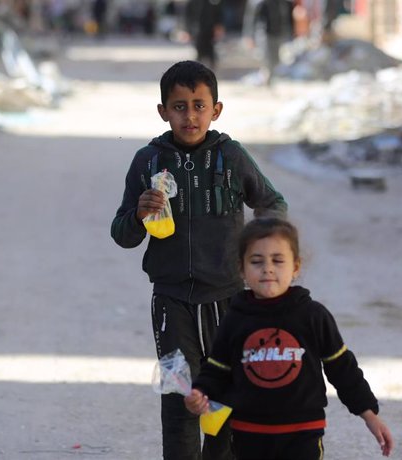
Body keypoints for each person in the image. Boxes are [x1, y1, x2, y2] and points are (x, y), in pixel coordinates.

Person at [111, 60, 287, 460]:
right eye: (178, 106)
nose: (189, 116)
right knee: (179, 397)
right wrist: (139, 213)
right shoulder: (148, 162)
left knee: (223, 399)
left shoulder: (231, 157)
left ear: (216, 109)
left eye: (198, 105)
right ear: (162, 111)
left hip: (228, 300)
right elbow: (122, 235)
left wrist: (266, 256)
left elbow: (272, 203)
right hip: (171, 303)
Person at [184, 217, 395, 459]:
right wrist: (200, 392)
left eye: (278, 260)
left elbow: (343, 369)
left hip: (302, 433)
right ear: (241, 269)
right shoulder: (235, 319)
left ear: (295, 267)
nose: (268, 268)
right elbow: (217, 369)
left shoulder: (313, 316)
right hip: (248, 435)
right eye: (256, 261)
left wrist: (369, 414)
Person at [245, 0, 293, 85]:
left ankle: (270, 77)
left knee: (276, 58)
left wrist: (289, 33)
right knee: (267, 57)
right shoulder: (260, 3)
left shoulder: (283, 3)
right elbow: (252, 19)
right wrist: (250, 36)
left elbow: (287, 18)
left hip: (278, 34)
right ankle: (266, 78)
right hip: (264, 34)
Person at [185, 0, 225, 69]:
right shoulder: (192, 2)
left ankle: (211, 67)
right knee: (199, 49)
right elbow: (188, 16)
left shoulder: (212, 2)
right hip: (197, 29)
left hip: (209, 29)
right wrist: (188, 30)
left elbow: (218, 13)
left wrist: (218, 27)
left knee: (210, 49)